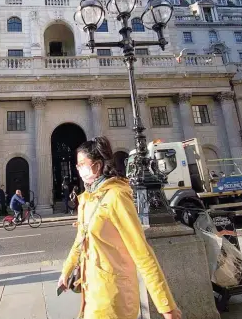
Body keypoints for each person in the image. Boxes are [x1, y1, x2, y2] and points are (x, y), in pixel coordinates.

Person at [58, 136, 181, 319]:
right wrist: (66, 271)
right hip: (92, 293)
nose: (78, 169)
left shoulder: (116, 197)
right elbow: (80, 239)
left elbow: (142, 252)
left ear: (97, 166)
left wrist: (166, 306)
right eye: (77, 165)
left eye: (82, 164)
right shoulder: (87, 199)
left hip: (114, 298)